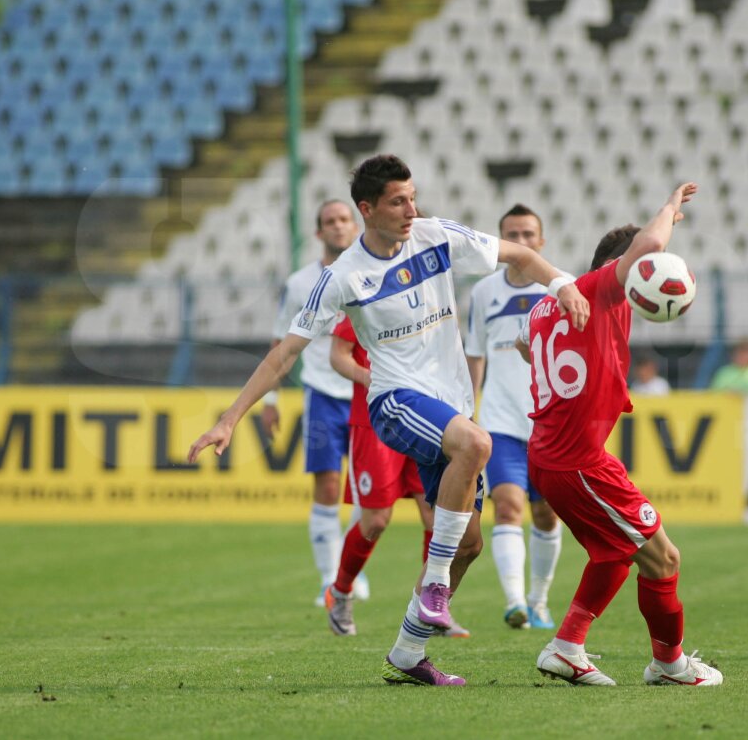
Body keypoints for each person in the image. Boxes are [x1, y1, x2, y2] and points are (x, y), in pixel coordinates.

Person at [188, 154, 589, 687]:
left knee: (469, 543)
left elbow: (516, 252)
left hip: (449, 405)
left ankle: (406, 654)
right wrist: (230, 418)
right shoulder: (342, 277)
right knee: (476, 443)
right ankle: (432, 589)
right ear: (367, 209)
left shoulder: (434, 235)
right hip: (395, 401)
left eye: (413, 197)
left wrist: (562, 283)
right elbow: (285, 354)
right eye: (398, 201)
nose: (411, 209)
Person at [519, 182, 723, 687]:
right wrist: (671, 208)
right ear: (619, 269)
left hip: (553, 455)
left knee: (613, 552)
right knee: (664, 557)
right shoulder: (597, 293)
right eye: (639, 271)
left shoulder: (548, 307)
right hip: (577, 460)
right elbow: (649, 247)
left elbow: (525, 344)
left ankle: (567, 646)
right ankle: (670, 665)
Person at [324, 315, 468, 638]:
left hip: (425, 415)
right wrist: (372, 378)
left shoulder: (428, 295)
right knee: (375, 521)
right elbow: (337, 354)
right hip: (376, 420)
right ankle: (341, 593)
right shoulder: (369, 290)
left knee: (435, 515)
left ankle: (432, 609)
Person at [262, 200, 368, 606]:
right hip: (322, 393)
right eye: (330, 222)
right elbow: (280, 342)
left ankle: (351, 571)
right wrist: (271, 397)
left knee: (365, 491)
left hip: (366, 391)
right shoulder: (299, 283)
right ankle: (330, 579)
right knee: (326, 485)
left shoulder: (370, 271)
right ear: (319, 232)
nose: (339, 227)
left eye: (345, 219)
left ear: (355, 225)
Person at [465, 204, 562, 631]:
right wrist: (469, 410)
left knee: (547, 516)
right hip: (501, 422)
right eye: (512, 235)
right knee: (507, 507)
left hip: (550, 422)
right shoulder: (484, 292)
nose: (520, 242)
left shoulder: (560, 290)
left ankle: (540, 601)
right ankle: (515, 602)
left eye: (528, 234)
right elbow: (474, 354)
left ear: (541, 242)